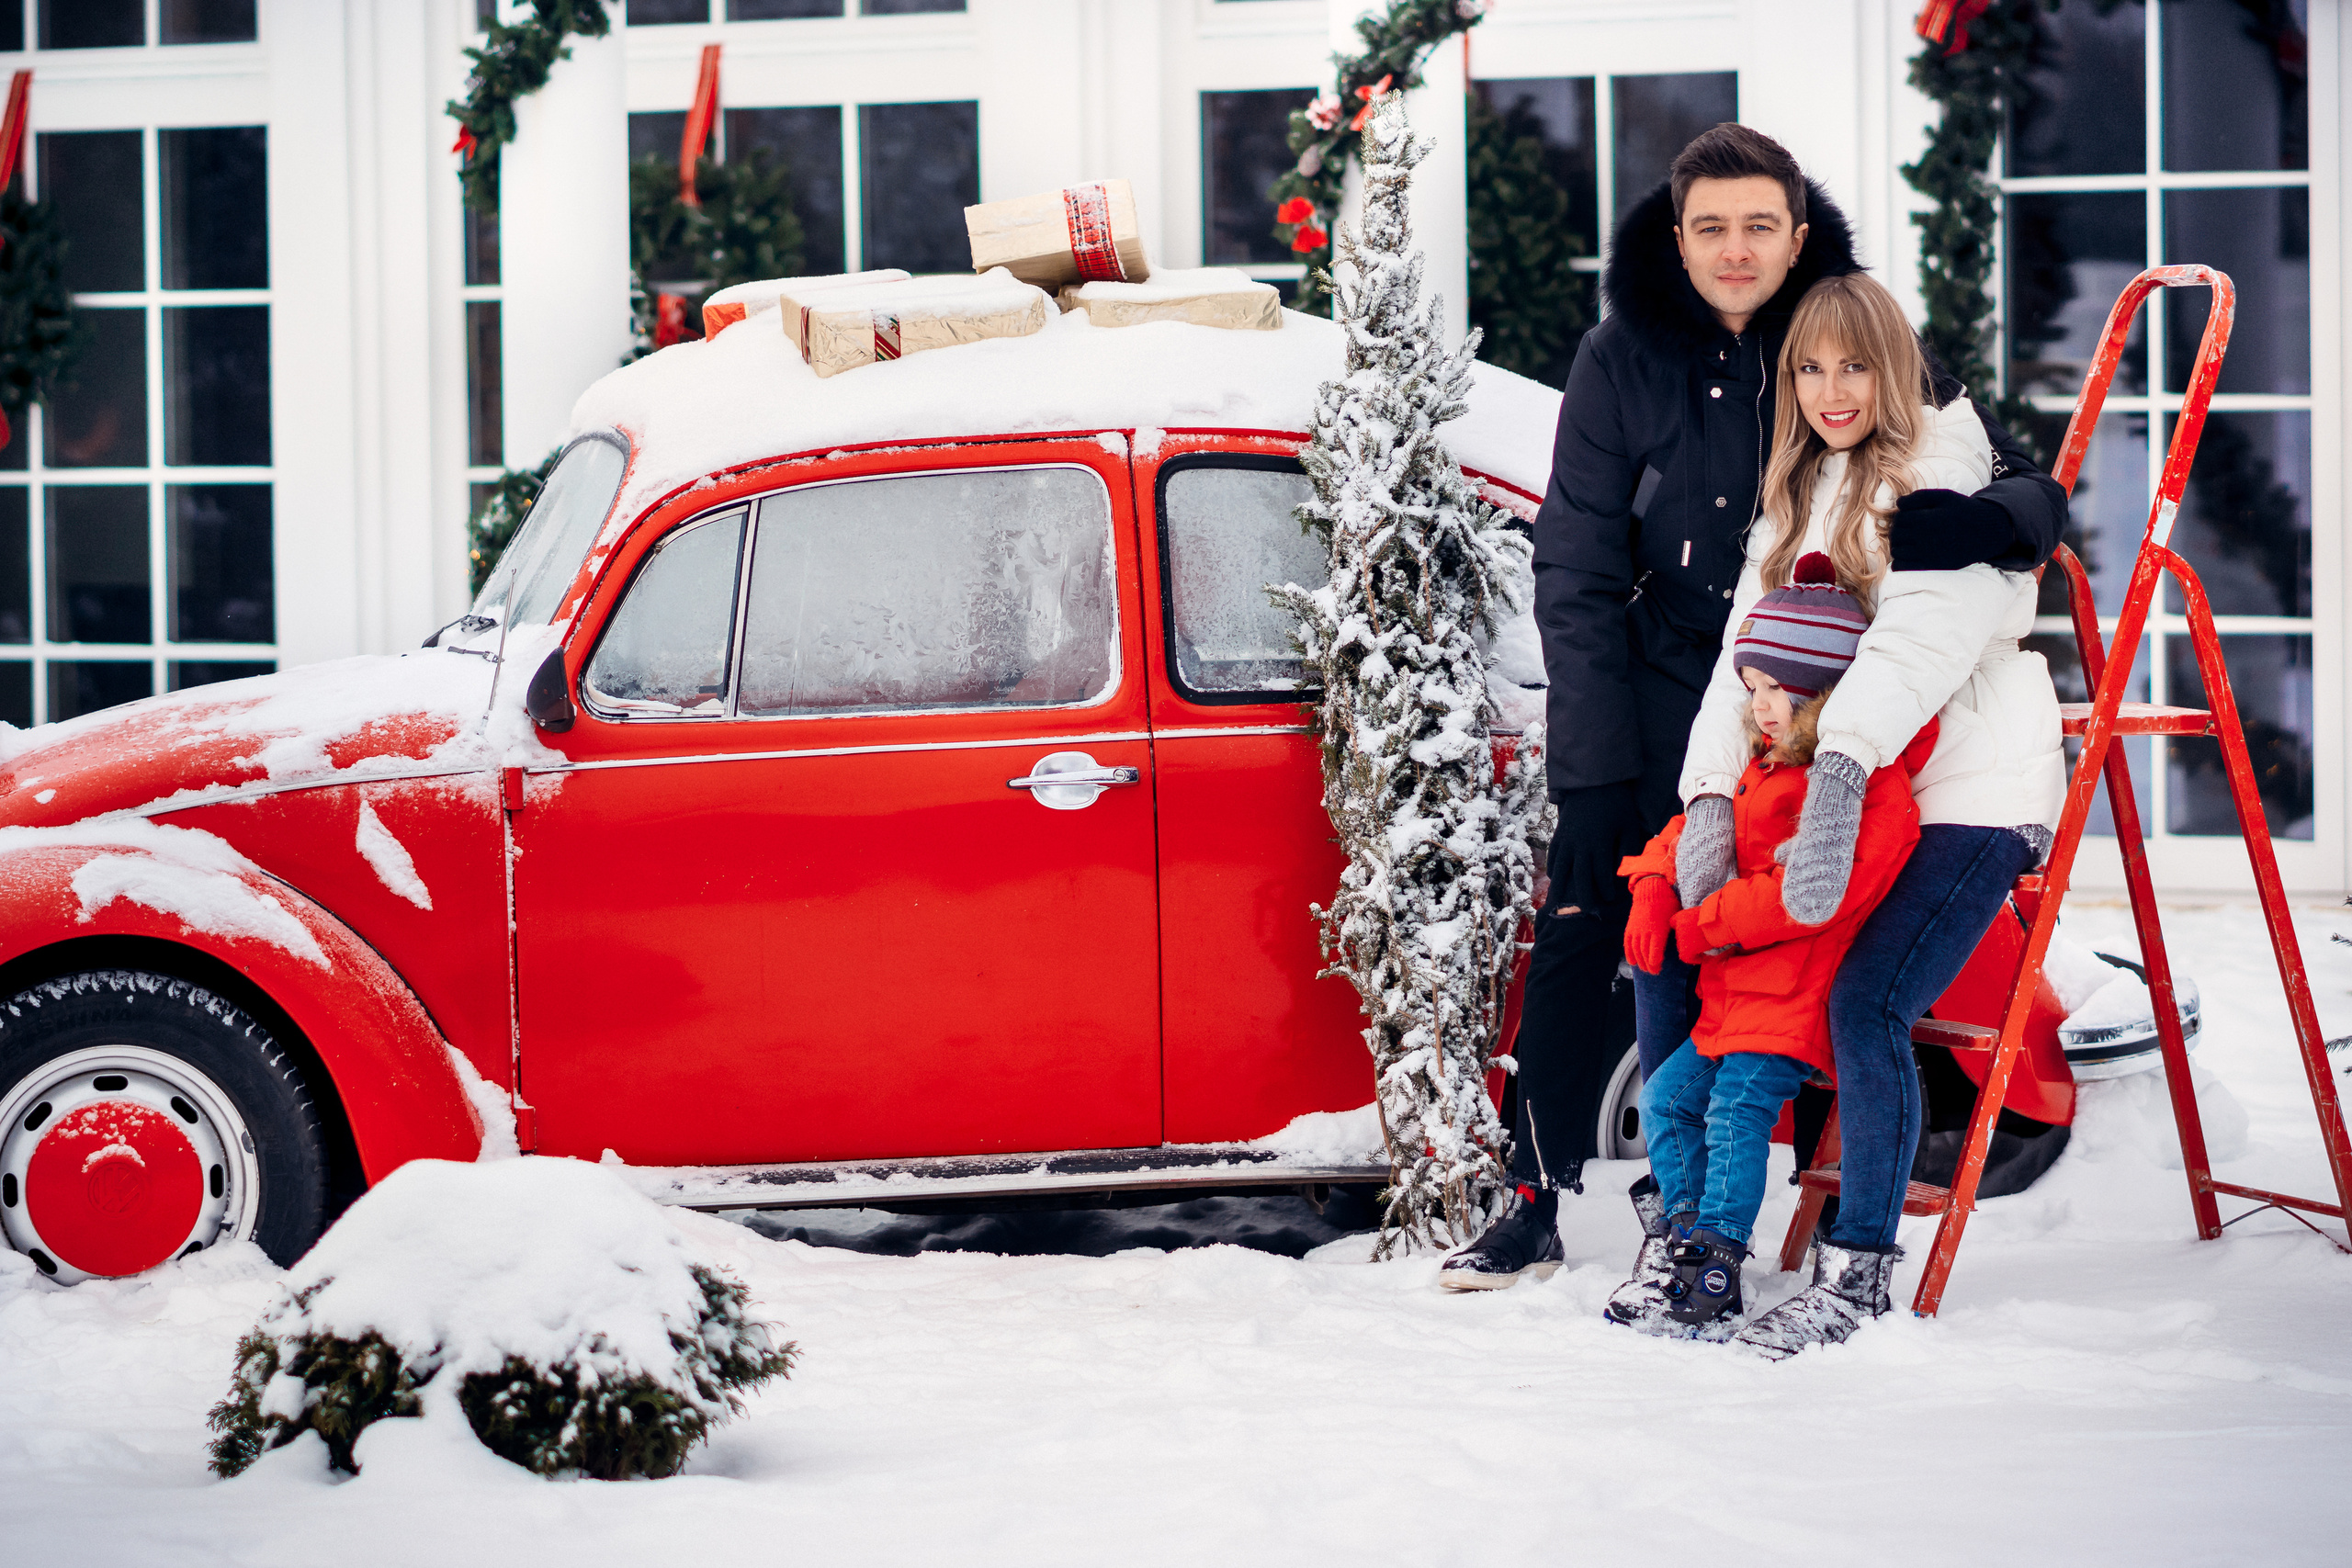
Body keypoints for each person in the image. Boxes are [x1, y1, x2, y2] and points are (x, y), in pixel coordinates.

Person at [1439, 122, 2067, 1290]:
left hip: (1818, 698)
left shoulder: (1839, 332)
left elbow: (1997, 464)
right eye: (1712, 228)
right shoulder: (1620, 355)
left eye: (1759, 227)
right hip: (1661, 677)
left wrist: (2012, 520)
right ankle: (1531, 1193)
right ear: (1678, 238)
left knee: (1727, 940)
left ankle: (1694, 1204)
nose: (1736, 252)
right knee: (1591, 921)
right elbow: (1571, 564)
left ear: (1795, 233)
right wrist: (1592, 753)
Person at [1648, 273, 2066, 1354]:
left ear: (1899, 367)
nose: (1833, 390)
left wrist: (1836, 770)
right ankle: (1695, 1232)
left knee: (1867, 1005)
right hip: (1866, 786)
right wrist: (1705, 796)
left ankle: (1859, 1271)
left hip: (1966, 790)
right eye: (1808, 368)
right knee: (1692, 957)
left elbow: (1913, 643)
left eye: (1855, 365)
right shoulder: (1802, 487)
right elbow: (1742, 664)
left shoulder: (1946, 482)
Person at [1609, 559, 1935, 1337]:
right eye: (1750, 687)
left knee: (1735, 1110)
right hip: (1735, 999)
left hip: (1793, 996)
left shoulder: (1864, 791)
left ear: (1823, 693)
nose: (1758, 706)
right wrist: (1653, 879)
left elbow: (1809, 897)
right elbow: (1691, 832)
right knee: (1666, 1097)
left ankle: (1716, 1259)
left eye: (1773, 690)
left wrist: (1702, 922)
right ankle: (1686, 1236)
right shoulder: (1759, 772)